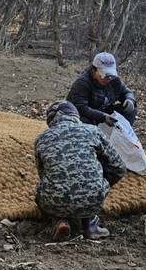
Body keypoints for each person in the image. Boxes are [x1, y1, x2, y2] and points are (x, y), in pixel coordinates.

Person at [34, 101, 128, 241]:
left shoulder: (41, 138)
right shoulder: (92, 131)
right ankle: (90, 225)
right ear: (75, 116)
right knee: (90, 186)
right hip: (93, 197)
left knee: (46, 189)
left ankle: (60, 221)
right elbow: (118, 167)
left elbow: (43, 173)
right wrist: (100, 183)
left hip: (54, 201)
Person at [66, 51, 137, 127]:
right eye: (103, 76)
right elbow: (81, 108)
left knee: (130, 111)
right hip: (84, 115)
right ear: (94, 70)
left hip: (104, 111)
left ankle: (122, 133)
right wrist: (103, 117)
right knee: (83, 122)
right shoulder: (82, 83)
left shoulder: (114, 80)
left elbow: (126, 92)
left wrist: (129, 100)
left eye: (110, 75)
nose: (108, 79)